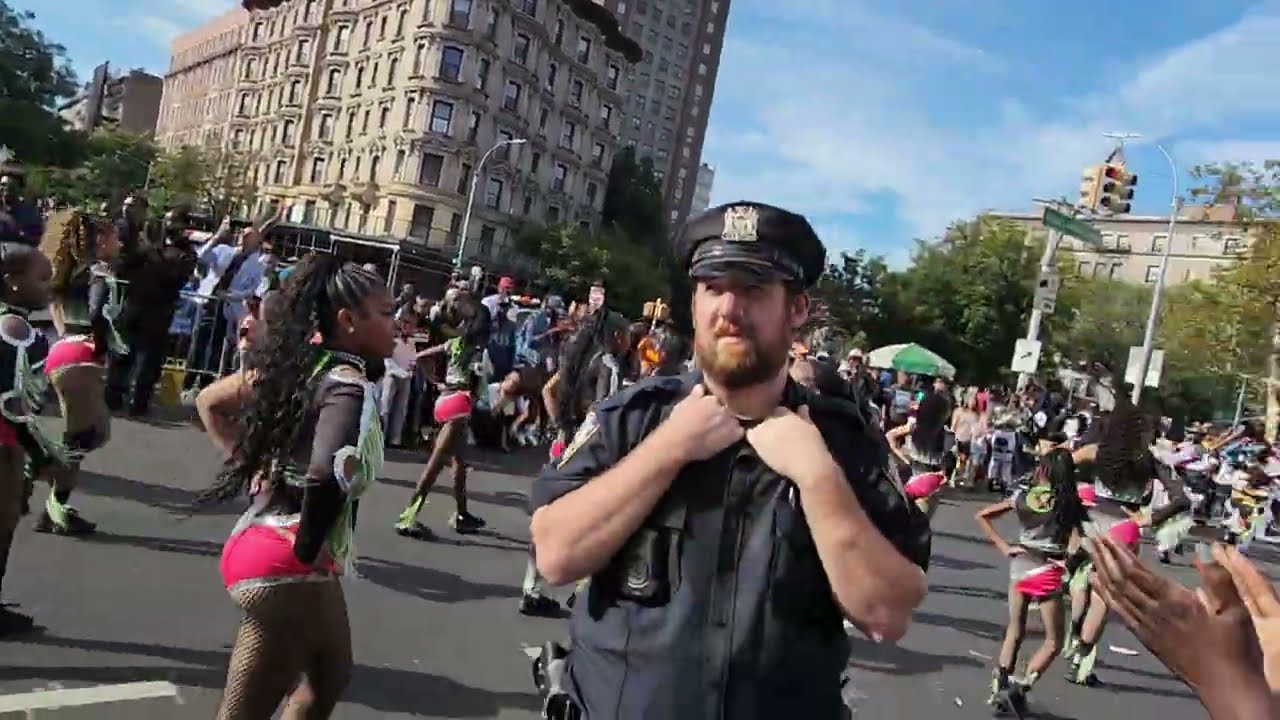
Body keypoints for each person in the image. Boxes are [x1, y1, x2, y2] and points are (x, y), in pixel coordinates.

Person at [529, 201, 931, 719]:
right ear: (694, 303)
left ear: (797, 309)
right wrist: (669, 449)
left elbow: (887, 614)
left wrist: (817, 477)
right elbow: (557, 556)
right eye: (713, 288)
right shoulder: (632, 419)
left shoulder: (843, 442)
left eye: (754, 290)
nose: (729, 309)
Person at [196, 255, 394, 719]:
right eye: (386, 313)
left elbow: (210, 403)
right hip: (286, 562)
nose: (399, 324)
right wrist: (306, 551)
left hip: (257, 541)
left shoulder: (301, 365)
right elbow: (327, 472)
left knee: (314, 681)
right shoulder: (347, 383)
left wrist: (251, 465)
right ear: (348, 321)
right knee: (319, 681)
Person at [974, 447, 1088, 713]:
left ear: (1043, 469)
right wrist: (1069, 564)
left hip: (1019, 564)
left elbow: (982, 515)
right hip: (1046, 570)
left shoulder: (1023, 496)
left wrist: (1004, 546)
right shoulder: (1068, 502)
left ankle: (999, 685)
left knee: (1015, 630)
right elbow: (1080, 540)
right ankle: (1019, 688)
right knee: (1053, 641)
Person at [0, 243, 70, 634]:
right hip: (2, 442)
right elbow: (12, 406)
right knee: (3, 523)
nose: (49, 286)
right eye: (41, 278)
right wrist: (43, 457)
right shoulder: (16, 330)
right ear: (11, 282)